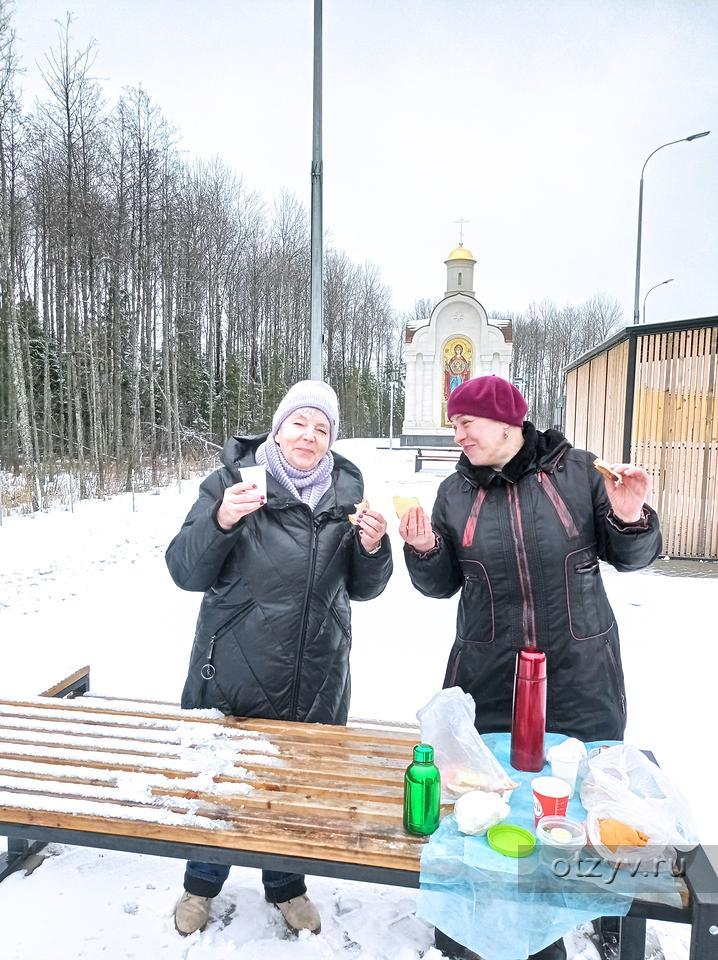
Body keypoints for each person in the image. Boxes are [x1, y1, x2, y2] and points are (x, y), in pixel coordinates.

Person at [399, 374, 661, 960]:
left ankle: (604, 913)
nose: (458, 432)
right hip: (488, 667)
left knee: (590, 795)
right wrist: (423, 551)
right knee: (490, 795)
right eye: (455, 422)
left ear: (508, 421)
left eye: (467, 421)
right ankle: (479, 912)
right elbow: (441, 586)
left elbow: (633, 558)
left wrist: (629, 517)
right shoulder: (454, 493)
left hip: (580, 667)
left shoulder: (579, 473)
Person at [166, 380, 392, 938]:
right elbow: (183, 570)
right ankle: (201, 883)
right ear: (277, 426)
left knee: (293, 790)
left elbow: (363, 589)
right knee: (225, 784)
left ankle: (287, 886)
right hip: (235, 668)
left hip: (316, 672)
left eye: (322, 428)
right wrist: (221, 522)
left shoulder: (346, 494)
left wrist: (373, 548)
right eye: (299, 423)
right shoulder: (232, 483)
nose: (309, 436)